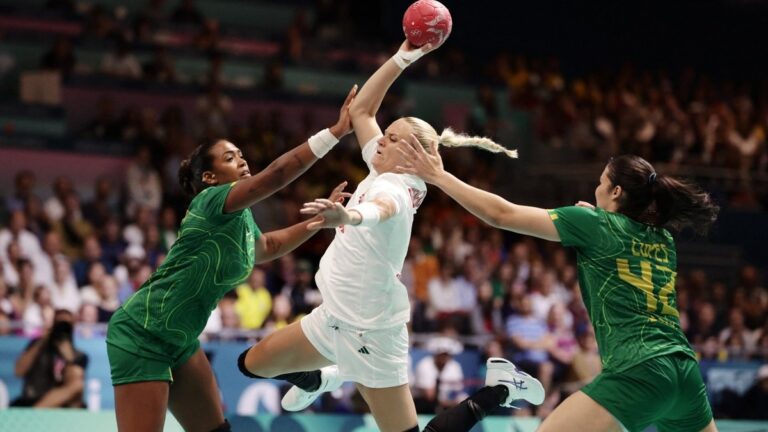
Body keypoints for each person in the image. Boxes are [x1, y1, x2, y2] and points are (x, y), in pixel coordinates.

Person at [237, 40, 540, 432]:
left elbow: (379, 210)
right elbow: (362, 109)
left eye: (393, 138)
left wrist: (348, 214)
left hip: (372, 331)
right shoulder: (381, 165)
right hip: (331, 318)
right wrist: (405, 55)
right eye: (387, 134)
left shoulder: (396, 187)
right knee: (251, 365)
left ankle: (498, 390)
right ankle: (323, 378)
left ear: (412, 156)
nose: (381, 139)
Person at [397, 145, 720, 432]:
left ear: (616, 191)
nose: (596, 188)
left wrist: (438, 176)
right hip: (685, 373)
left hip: (638, 370)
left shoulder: (593, 224)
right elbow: (625, 247)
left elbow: (501, 213)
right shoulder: (663, 239)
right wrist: (596, 219)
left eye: (600, 183)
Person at [105, 86, 357, 432]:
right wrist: (335, 132)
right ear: (209, 178)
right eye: (229, 158)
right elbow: (275, 177)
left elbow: (266, 247)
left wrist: (318, 222)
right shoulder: (210, 202)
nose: (242, 160)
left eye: (240, 154)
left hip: (180, 339)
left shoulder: (241, 216)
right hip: (142, 335)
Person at [12, 309, 88, 408]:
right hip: (35, 396)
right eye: (58, 324)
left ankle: (36, 411)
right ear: (52, 324)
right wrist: (42, 341)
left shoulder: (79, 355)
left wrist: (68, 356)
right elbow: (18, 371)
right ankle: (37, 410)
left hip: (61, 402)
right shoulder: (38, 345)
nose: (62, 328)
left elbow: (76, 383)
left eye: (66, 325)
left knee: (77, 376)